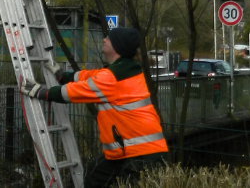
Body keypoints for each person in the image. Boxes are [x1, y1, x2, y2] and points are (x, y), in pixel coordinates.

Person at [20, 28, 169, 188]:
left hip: (142, 155)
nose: (104, 39)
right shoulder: (124, 70)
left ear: (117, 46)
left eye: (109, 39)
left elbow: (72, 93)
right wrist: (62, 76)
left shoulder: (111, 78)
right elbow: (88, 76)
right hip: (132, 151)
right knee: (95, 173)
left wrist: (40, 92)